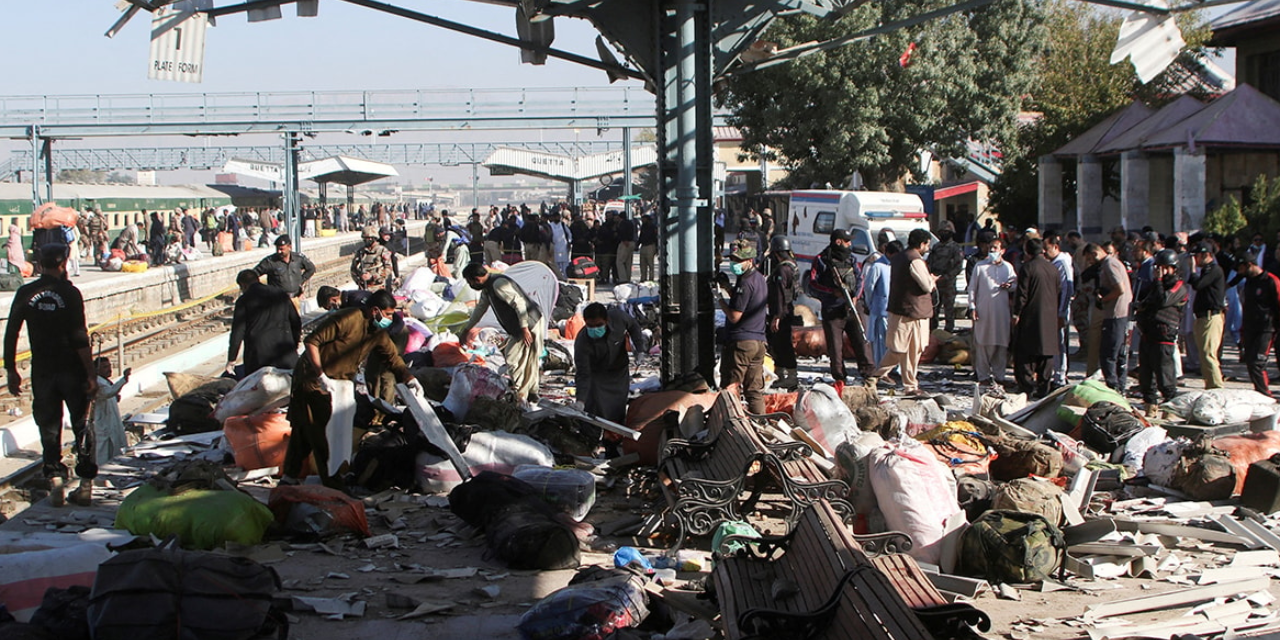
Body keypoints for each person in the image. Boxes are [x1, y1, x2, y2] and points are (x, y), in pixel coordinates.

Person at [281, 289, 420, 489]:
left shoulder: (377, 332)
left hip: (339, 382)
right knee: (323, 430)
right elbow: (312, 341)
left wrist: (410, 379)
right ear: (375, 311)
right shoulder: (348, 318)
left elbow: (392, 358)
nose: (391, 318)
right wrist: (320, 375)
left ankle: (290, 475)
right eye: (388, 314)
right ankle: (333, 481)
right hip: (314, 379)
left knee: (304, 429)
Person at [4, 244, 98, 507]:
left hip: (43, 371)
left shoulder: (25, 293)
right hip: (72, 370)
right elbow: (80, 338)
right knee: (81, 424)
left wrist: (11, 369)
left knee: (48, 425)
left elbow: (11, 332)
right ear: (63, 263)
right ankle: (86, 484)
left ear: (40, 263)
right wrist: (91, 374)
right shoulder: (70, 293)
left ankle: (55, 481)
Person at [457, 262, 546, 406]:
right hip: (520, 326)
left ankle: (521, 394)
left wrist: (524, 328)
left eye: (469, 282)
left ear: (476, 279)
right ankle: (531, 393)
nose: (470, 286)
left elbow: (520, 304)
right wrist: (466, 329)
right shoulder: (488, 288)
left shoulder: (498, 284)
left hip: (529, 324)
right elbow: (480, 309)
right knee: (526, 359)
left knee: (515, 358)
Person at [868, 229, 936, 395]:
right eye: (927, 244)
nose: (928, 248)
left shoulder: (898, 257)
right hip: (912, 311)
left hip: (902, 310)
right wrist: (932, 280)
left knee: (905, 349)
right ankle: (883, 378)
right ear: (922, 244)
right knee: (904, 349)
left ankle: (905, 383)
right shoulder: (915, 260)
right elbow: (926, 286)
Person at [807, 229, 875, 384]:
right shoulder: (822, 260)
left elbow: (859, 279)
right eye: (847, 241)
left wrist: (855, 297)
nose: (850, 244)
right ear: (838, 242)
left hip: (852, 307)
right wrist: (833, 293)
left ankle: (869, 376)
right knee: (835, 348)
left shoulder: (851, 259)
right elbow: (812, 285)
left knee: (862, 341)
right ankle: (840, 378)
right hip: (832, 310)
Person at [717, 239, 768, 414]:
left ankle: (730, 424)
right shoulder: (759, 279)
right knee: (754, 391)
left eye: (738, 261)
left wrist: (720, 300)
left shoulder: (745, 282)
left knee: (730, 388)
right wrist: (728, 288)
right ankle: (759, 425)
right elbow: (746, 303)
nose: (734, 264)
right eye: (733, 259)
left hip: (741, 343)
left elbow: (734, 316)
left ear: (750, 261)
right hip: (758, 341)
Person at [574, 302, 648, 424]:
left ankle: (615, 438)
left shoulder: (619, 318)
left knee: (618, 409)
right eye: (590, 326)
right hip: (597, 376)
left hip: (619, 372)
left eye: (599, 325)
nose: (595, 330)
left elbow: (634, 326)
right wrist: (580, 400)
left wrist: (639, 349)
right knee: (596, 410)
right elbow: (583, 373)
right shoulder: (582, 342)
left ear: (607, 320)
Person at [1135, 249, 1188, 414]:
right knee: (1146, 375)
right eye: (1158, 267)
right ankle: (1150, 406)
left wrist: (1158, 281)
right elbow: (1147, 301)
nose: (1161, 271)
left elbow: (1162, 300)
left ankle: (1170, 409)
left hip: (1163, 336)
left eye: (1165, 268)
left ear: (1173, 268)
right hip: (1148, 334)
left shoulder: (1179, 287)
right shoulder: (1154, 285)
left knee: (1165, 376)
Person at [1012, 239, 1062, 399]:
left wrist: (1016, 314)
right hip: (1049, 316)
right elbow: (1059, 292)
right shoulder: (1053, 269)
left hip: (1031, 316)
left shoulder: (1028, 268)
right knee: (1046, 354)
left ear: (1027, 252)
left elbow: (1022, 294)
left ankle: (1027, 386)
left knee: (1025, 353)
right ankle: (1043, 387)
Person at [227, 270, 301, 377]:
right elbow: (295, 321)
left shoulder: (243, 300)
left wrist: (231, 359)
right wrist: (293, 345)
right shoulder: (281, 294)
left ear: (243, 285)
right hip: (285, 353)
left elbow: (237, 332)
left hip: (258, 358)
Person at [968, 237, 1015, 387]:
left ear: (1002, 250)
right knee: (982, 343)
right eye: (990, 248)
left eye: (995, 248)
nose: (992, 250)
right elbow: (972, 289)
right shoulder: (980, 267)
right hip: (983, 312)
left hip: (1001, 313)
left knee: (1001, 344)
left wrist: (1009, 285)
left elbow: (1015, 284)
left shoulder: (1007, 268)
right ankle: (983, 376)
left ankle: (999, 376)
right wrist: (972, 307)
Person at [1235, 249, 1280, 397]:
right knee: (1249, 362)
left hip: (1266, 329)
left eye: (1240, 268)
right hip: (1250, 328)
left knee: (1257, 363)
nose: (1239, 272)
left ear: (1249, 265)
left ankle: (1266, 395)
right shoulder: (1249, 282)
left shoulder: (1270, 281)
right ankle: (1260, 393)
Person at [1096, 240, 1133, 392]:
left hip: (1116, 314)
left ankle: (1114, 387)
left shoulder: (1109, 264)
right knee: (1120, 353)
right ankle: (1120, 386)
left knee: (1109, 354)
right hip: (1122, 314)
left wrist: (1103, 299)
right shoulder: (1115, 262)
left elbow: (1120, 288)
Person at [1189, 242, 1227, 389]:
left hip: (1212, 316)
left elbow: (1198, 284)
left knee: (1208, 354)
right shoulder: (1206, 270)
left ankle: (1217, 387)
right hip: (1202, 317)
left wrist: (1192, 270)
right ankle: (1209, 384)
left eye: (1197, 256)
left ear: (1206, 255)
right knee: (1203, 354)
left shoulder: (1214, 270)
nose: (1195, 260)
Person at [766, 236, 799, 390]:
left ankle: (790, 376)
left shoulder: (782, 269)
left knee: (782, 345)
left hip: (781, 313)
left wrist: (776, 316)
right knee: (779, 343)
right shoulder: (792, 265)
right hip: (787, 310)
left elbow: (779, 293)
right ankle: (780, 374)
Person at [1044, 231, 1075, 386]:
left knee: (1060, 343)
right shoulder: (1053, 263)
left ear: (1055, 247)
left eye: (1047, 248)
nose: (1044, 251)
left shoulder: (1062, 264)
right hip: (1052, 309)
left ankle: (1060, 376)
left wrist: (1061, 313)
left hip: (1059, 310)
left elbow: (1067, 288)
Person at [863, 240, 898, 366]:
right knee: (880, 340)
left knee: (893, 340)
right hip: (880, 309)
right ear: (889, 253)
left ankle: (893, 367)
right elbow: (869, 287)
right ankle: (880, 366)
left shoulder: (896, 265)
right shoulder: (878, 266)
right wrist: (870, 303)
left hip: (894, 309)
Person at [92, 357, 131, 465]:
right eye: (105, 367)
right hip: (103, 423)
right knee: (104, 452)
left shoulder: (105, 381)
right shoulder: (97, 382)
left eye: (109, 366)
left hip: (112, 421)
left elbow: (111, 393)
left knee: (116, 450)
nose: (109, 369)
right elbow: (108, 392)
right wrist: (124, 379)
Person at [927, 221, 964, 333]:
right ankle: (933, 332)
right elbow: (930, 262)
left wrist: (945, 277)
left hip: (948, 284)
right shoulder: (936, 247)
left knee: (949, 311)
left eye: (946, 232)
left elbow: (957, 267)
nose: (944, 234)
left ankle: (948, 333)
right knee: (934, 310)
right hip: (935, 283)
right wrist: (932, 276)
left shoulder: (956, 248)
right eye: (942, 232)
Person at [254, 235, 316, 300]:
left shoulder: (298, 258)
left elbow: (311, 269)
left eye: (281, 249)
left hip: (296, 298)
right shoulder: (270, 262)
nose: (279, 252)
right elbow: (253, 274)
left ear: (289, 247)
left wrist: (301, 281)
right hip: (278, 300)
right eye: (277, 249)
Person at [548, 211, 573, 278]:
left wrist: (569, 242)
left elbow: (569, 234)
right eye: (556, 217)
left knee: (565, 263)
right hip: (555, 247)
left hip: (564, 247)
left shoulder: (562, 224)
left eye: (559, 217)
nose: (558, 218)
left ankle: (565, 277)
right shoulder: (550, 225)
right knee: (556, 264)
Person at [616, 212, 637, 284]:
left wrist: (624, 240)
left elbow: (622, 232)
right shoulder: (631, 223)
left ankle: (623, 279)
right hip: (632, 243)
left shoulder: (622, 223)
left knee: (620, 261)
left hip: (625, 243)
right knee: (628, 262)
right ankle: (628, 278)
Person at [637, 214, 658, 282]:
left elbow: (656, 237)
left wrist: (656, 247)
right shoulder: (643, 227)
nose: (642, 220)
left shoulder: (653, 227)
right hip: (644, 245)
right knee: (642, 263)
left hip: (650, 245)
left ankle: (651, 278)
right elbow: (641, 236)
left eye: (644, 219)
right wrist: (637, 244)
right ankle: (643, 277)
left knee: (650, 263)